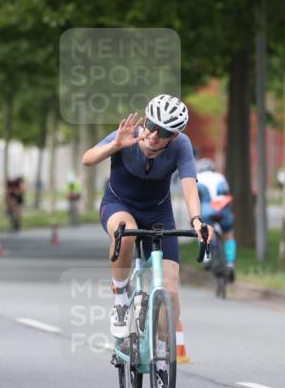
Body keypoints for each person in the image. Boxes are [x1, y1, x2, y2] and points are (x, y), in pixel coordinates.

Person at [81, 94, 209, 345]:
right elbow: (87, 159)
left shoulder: (181, 145)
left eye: (162, 132)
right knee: (125, 232)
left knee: (170, 291)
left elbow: (189, 185)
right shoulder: (128, 133)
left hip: (158, 212)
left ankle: (162, 357)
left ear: (173, 136)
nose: (152, 135)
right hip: (119, 204)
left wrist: (197, 220)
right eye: (151, 125)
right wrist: (115, 145)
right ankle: (120, 300)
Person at [196, 158, 236, 281]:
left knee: (201, 230)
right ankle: (230, 264)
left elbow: (196, 200)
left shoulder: (197, 177)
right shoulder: (220, 177)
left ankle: (207, 258)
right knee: (229, 235)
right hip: (223, 209)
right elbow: (226, 194)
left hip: (206, 210)